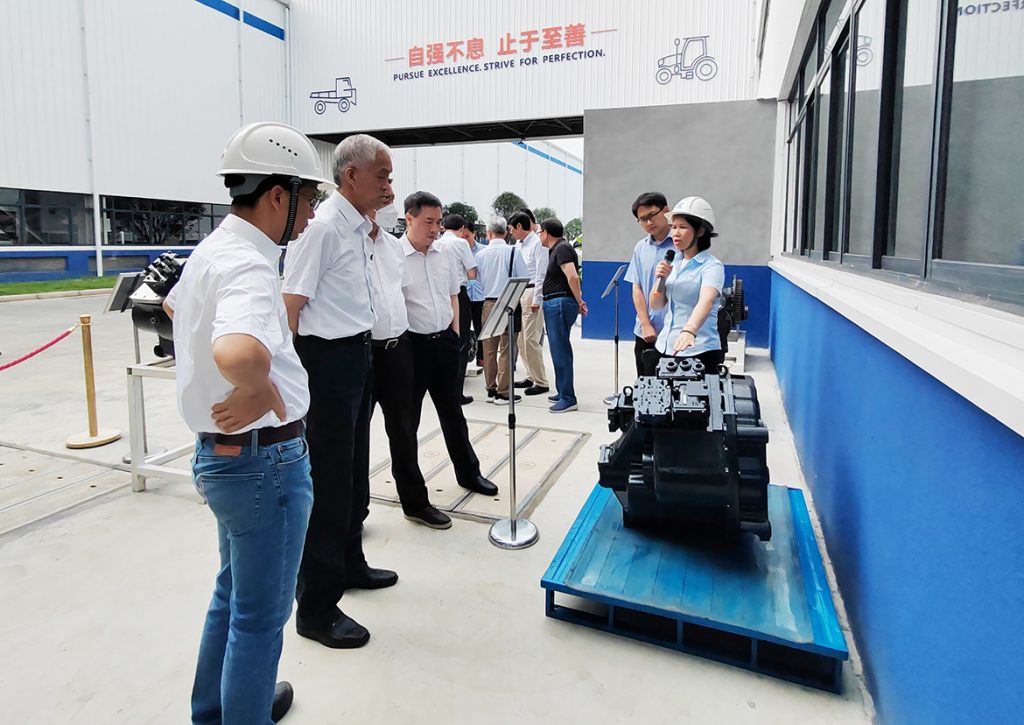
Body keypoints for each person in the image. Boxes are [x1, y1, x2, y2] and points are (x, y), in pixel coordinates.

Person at [165, 121, 330, 724]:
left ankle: (218, 710)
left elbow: (173, 306)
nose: (311, 215)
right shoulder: (250, 267)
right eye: (307, 199)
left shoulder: (214, 250)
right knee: (260, 618)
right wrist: (259, 386)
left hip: (225, 459)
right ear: (277, 196)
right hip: (264, 463)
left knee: (232, 595)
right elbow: (237, 351)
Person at [282, 134, 397, 650]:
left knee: (353, 471)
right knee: (327, 483)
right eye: (382, 176)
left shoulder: (358, 227)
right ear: (350, 176)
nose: (389, 186)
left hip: (356, 355)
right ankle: (317, 607)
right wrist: (288, 378)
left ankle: (350, 562)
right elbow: (291, 306)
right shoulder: (323, 228)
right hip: (324, 363)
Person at [401, 192, 499, 497]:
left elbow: (453, 294)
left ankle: (469, 473)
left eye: (439, 222)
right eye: (428, 221)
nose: (435, 229)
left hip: (444, 342)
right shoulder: (394, 255)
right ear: (409, 218)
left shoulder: (443, 253)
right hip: (411, 347)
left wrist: (455, 334)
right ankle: (413, 494)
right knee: (407, 423)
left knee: (453, 413)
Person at [649, 196, 725, 374]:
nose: (675, 233)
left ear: (700, 231)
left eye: (682, 227)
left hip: (698, 350)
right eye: (673, 227)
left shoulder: (711, 266)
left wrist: (689, 330)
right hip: (666, 347)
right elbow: (656, 305)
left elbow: (706, 301)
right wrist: (660, 280)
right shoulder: (673, 262)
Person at [475, 215, 529, 403]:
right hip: (510, 301)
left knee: (489, 349)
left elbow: (478, 281)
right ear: (506, 232)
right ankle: (503, 391)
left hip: (488, 303)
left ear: (488, 233)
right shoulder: (514, 251)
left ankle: (490, 389)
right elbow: (524, 278)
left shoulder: (480, 255)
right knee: (507, 348)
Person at [623, 192, 673, 376]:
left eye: (652, 215)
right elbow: (637, 287)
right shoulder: (640, 248)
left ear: (666, 211)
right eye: (642, 219)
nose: (648, 222)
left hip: (675, 334)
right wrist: (645, 324)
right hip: (646, 333)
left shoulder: (683, 245)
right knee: (646, 385)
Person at [540, 218, 587, 412]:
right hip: (555, 303)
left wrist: (579, 301)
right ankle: (562, 391)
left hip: (559, 303)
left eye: (540, 232)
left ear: (546, 233)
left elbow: (573, 276)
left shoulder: (562, 248)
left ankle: (568, 397)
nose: (539, 236)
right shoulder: (556, 250)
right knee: (557, 350)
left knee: (561, 351)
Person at [435, 214, 478, 405]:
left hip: (440, 295)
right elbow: (472, 272)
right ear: (461, 229)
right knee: (461, 342)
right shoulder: (461, 244)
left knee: (442, 341)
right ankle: (456, 393)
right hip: (458, 295)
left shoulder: (437, 242)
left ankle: (442, 389)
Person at [508, 210, 550, 396]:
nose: (511, 233)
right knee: (520, 338)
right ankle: (531, 375)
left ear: (519, 226)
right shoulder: (518, 244)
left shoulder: (537, 243)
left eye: (512, 229)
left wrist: (537, 298)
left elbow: (541, 272)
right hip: (519, 290)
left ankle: (541, 381)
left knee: (531, 339)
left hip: (532, 290)